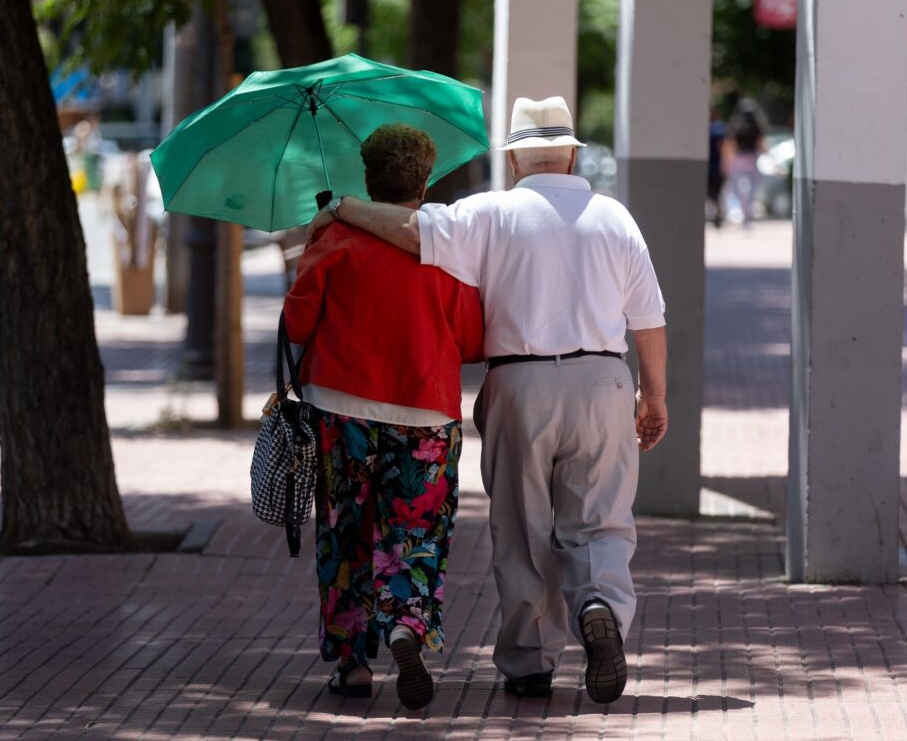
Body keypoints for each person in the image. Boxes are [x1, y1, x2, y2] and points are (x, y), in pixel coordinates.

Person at [307, 97, 668, 705]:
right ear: (574, 153)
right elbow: (650, 318)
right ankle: (600, 602)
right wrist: (652, 393)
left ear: (515, 160)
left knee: (523, 529)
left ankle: (529, 663)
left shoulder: (490, 213)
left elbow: (408, 229)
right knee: (601, 519)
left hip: (519, 383)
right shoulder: (615, 218)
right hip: (603, 379)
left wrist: (340, 207)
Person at [283, 124, 484, 710]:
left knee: (346, 534)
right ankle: (406, 626)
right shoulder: (448, 251)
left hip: (340, 411)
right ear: (423, 182)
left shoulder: (334, 240)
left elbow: (297, 327)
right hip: (425, 413)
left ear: (368, 179)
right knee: (416, 532)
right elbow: (470, 340)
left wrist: (311, 248)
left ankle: (351, 665)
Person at [725, 98, 767, 226]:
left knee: (735, 189)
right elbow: (761, 145)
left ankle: (738, 212)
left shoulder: (735, 125)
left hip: (738, 161)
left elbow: (731, 145)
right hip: (752, 161)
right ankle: (746, 215)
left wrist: (728, 161)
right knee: (753, 189)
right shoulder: (758, 126)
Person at [707, 106, 727, 228]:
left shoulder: (709, 128)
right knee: (717, 195)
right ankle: (717, 216)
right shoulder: (719, 128)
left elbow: (723, 147)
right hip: (715, 167)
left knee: (713, 194)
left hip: (711, 167)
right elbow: (724, 147)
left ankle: (717, 216)